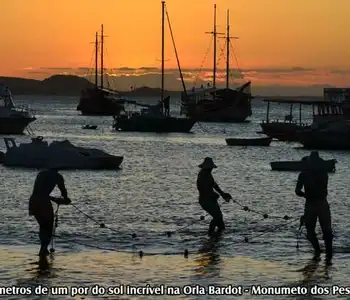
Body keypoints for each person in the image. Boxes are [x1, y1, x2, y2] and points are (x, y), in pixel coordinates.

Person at [295, 151, 333, 264]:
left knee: (312, 231)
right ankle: (327, 255)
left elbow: (297, 191)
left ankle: (319, 252)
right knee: (325, 231)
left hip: (312, 204)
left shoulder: (304, 174)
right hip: (320, 203)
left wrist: (305, 194)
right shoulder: (323, 172)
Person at [29, 164, 71, 257]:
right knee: (48, 226)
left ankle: (43, 248)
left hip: (33, 201)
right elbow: (63, 191)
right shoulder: (57, 176)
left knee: (42, 225)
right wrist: (65, 199)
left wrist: (54, 199)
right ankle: (43, 249)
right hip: (43, 202)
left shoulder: (41, 174)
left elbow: (39, 192)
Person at [197, 157, 232, 236]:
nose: (211, 169)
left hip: (211, 200)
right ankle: (210, 233)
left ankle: (219, 235)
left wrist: (223, 194)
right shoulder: (202, 176)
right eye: (210, 168)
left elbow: (214, 185)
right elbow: (203, 190)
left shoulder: (208, 174)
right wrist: (214, 195)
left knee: (220, 219)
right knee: (217, 216)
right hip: (205, 201)